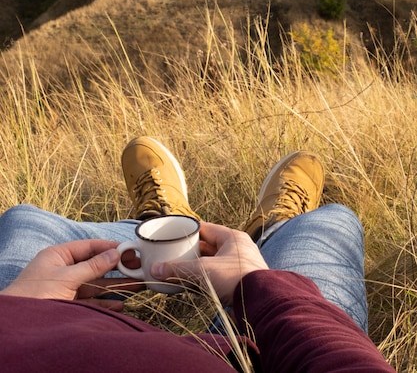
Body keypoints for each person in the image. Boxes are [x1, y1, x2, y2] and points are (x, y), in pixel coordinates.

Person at [0, 137, 394, 372]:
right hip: (249, 357)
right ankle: (276, 230)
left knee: (26, 221)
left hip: (32, 330)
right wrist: (261, 287)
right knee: (330, 222)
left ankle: (161, 223)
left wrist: (19, 310)